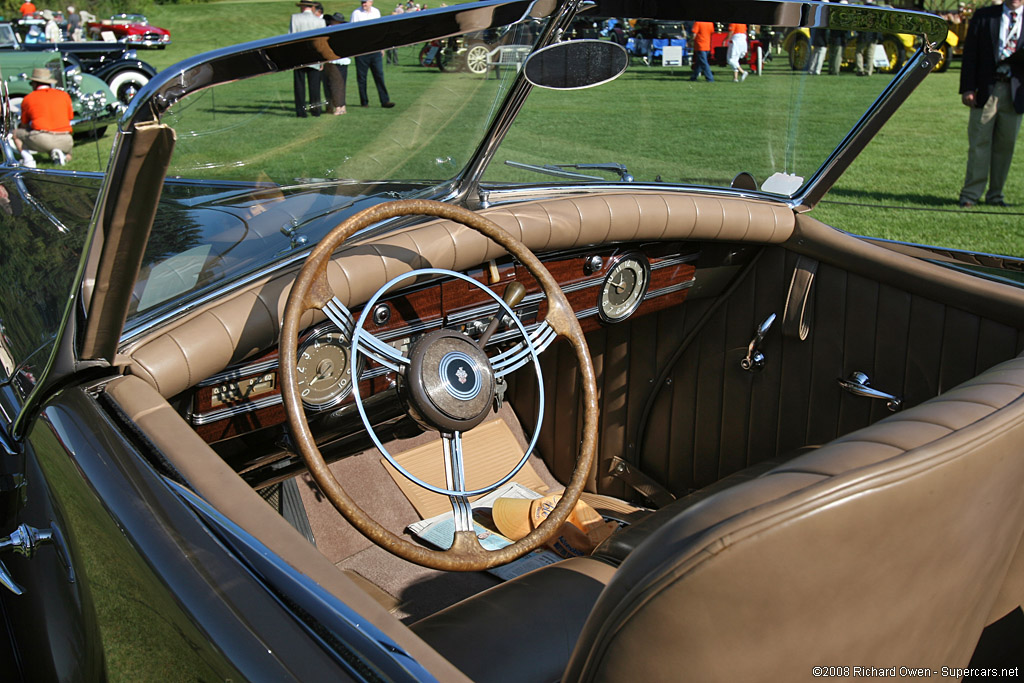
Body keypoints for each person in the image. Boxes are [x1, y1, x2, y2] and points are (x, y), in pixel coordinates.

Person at [958, 0, 1024, 208]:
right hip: (986, 89)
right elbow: (970, 54)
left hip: (1015, 92)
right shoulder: (984, 16)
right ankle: (970, 194)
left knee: (1006, 146)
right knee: (979, 143)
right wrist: (967, 88)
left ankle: (996, 195)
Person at [13, 67, 73, 167]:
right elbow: (70, 117)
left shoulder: (29, 98)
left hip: (42, 139)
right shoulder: (64, 95)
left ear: (35, 84)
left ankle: (28, 160)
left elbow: (24, 124)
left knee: (16, 134)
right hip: (67, 140)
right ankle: (62, 154)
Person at [351, 0, 395, 108]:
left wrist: (382, 47)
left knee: (379, 75)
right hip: (362, 50)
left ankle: (385, 100)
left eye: (366, 2)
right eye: (362, 2)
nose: (363, 4)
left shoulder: (376, 12)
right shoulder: (356, 13)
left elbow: (379, 31)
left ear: (371, 2)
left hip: (375, 49)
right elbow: (352, 32)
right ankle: (364, 102)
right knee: (362, 78)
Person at [289, 0, 326, 117]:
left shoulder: (295, 18)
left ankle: (301, 111)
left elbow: (290, 39)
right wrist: (323, 60)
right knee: (315, 86)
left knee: (299, 86)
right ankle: (315, 110)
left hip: (298, 56)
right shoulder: (320, 21)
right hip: (314, 56)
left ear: (303, 7)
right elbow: (322, 43)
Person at [323, 12, 349, 115]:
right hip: (333, 60)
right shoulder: (329, 30)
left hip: (341, 60)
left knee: (339, 84)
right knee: (335, 84)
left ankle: (340, 106)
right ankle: (338, 106)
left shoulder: (343, 31)